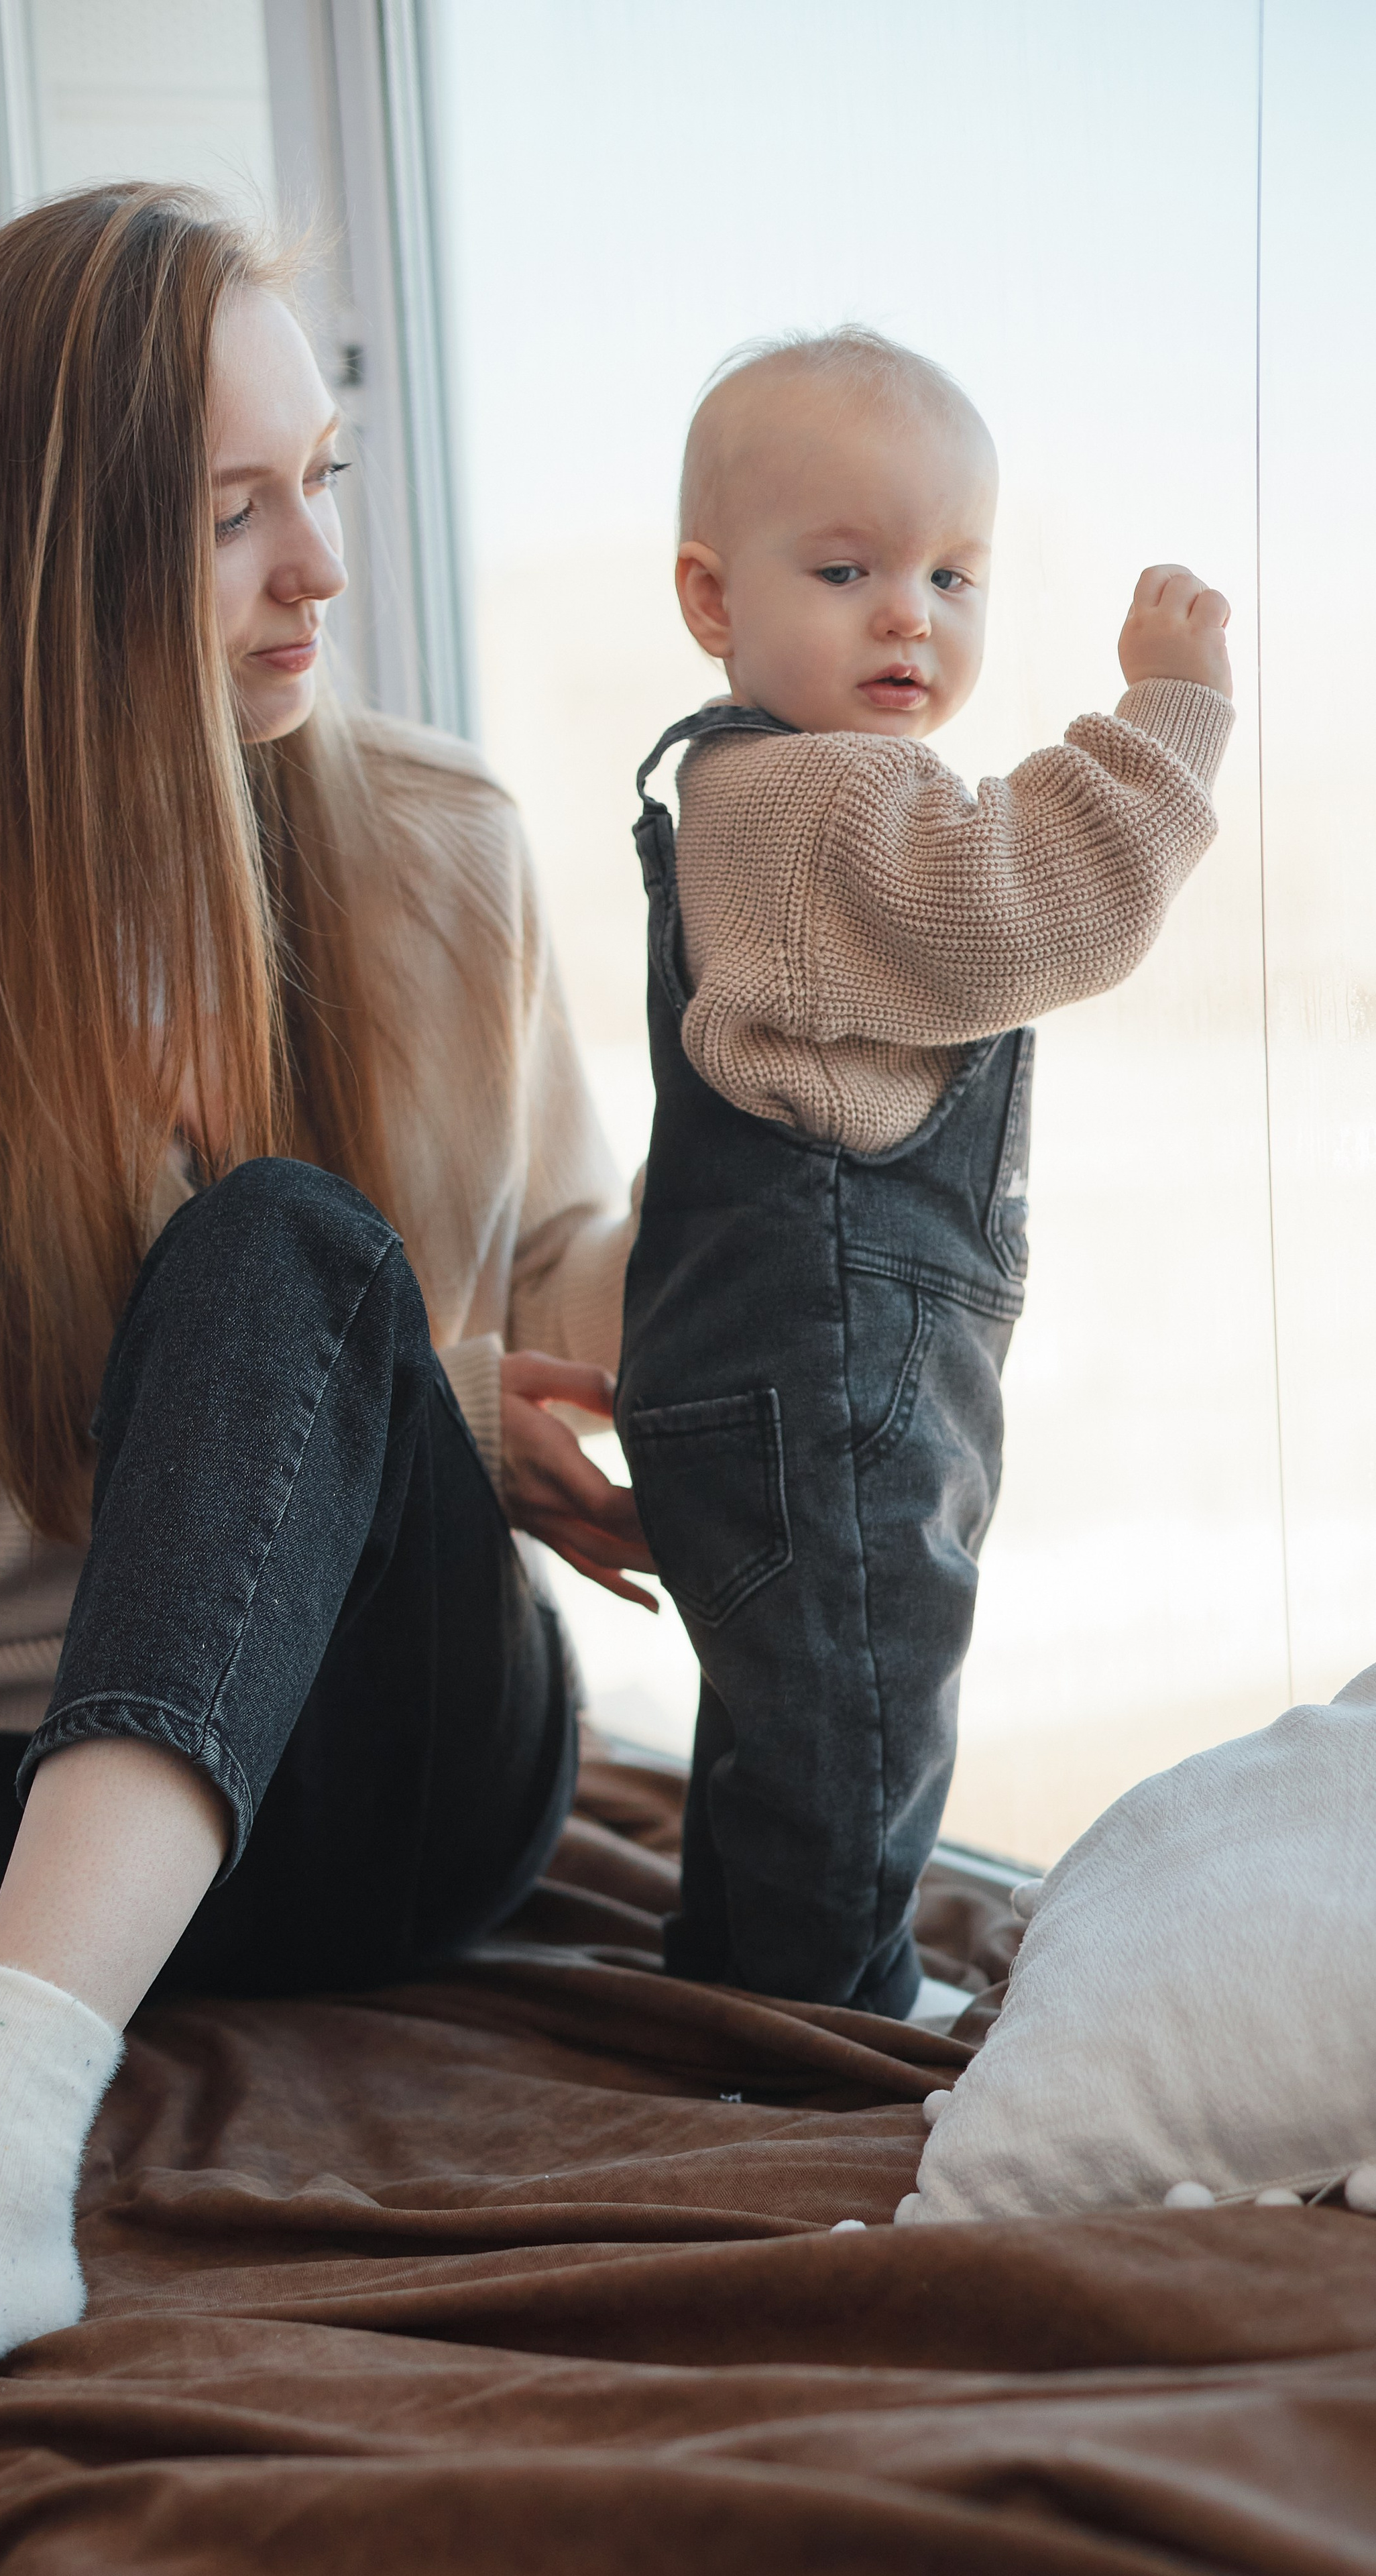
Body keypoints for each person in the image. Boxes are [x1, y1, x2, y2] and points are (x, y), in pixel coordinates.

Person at [0, 184, 651, 2526]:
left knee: (290, 1251)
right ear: (39, 559)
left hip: (398, 1763)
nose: (319, 567)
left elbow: (573, 1232)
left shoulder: (444, 844)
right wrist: (400, 1387)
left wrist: (720, 1290)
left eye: (326, 477)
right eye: (233, 518)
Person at [614, 327, 1233, 2021]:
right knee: (863, 1721)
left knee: (785, 1721)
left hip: (751, 1372)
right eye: (847, 567)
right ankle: (832, 2028)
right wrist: (1165, 724)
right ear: (708, 596)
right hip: (821, 1392)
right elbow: (1029, 900)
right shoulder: (814, 811)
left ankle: (730, 1999)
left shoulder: (755, 793)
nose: (911, 612)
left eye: (953, 572)